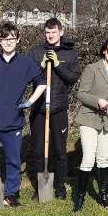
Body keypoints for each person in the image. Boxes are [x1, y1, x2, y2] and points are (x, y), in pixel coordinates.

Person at [0, 22, 46, 208]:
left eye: (11, 38)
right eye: (4, 39)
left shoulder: (26, 63)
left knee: (13, 160)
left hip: (14, 120)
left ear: (18, 39)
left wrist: (30, 102)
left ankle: (11, 194)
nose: (8, 42)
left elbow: (42, 83)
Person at [27, 17, 80, 199]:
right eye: (47, 32)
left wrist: (57, 65)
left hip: (59, 108)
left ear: (61, 32)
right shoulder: (36, 52)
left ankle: (59, 187)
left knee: (59, 149)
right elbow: (27, 77)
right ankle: (39, 187)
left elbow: (72, 79)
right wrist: (41, 67)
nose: (50, 35)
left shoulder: (69, 53)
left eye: (54, 32)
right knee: (38, 150)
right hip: (39, 109)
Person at [73, 36, 108, 211]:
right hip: (89, 118)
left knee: (103, 159)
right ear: (104, 50)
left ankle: (103, 195)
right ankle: (79, 197)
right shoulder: (92, 68)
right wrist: (98, 101)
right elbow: (81, 94)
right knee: (88, 158)